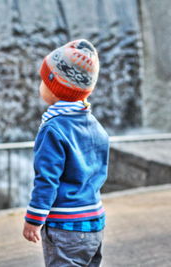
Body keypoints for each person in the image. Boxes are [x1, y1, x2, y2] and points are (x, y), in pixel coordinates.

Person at [22, 39, 109, 267]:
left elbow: (47, 180)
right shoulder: (95, 126)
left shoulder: (53, 129)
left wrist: (34, 219)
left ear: (55, 87)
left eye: (43, 80)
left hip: (66, 227)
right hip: (94, 223)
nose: (40, 85)